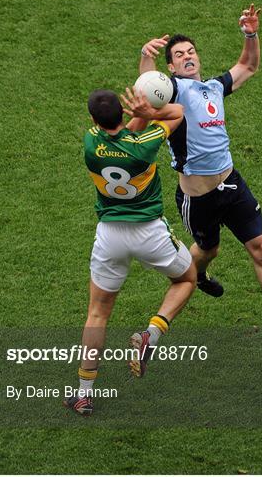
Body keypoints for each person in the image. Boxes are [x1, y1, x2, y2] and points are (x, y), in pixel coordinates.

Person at [138, 3, 262, 349]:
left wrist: (250, 33)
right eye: (179, 55)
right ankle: (198, 273)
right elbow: (147, 90)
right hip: (198, 198)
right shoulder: (174, 92)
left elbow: (248, 65)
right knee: (208, 248)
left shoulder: (212, 87)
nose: (188, 56)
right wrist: (146, 57)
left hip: (232, 184)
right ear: (171, 67)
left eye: (191, 51)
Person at [64, 88, 196, 416]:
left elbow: (119, 136)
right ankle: (152, 332)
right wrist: (147, 111)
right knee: (187, 279)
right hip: (150, 232)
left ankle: (83, 394)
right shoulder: (144, 145)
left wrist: (135, 116)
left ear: (93, 120)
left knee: (97, 313)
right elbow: (177, 112)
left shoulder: (90, 142)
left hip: (109, 235)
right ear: (122, 115)